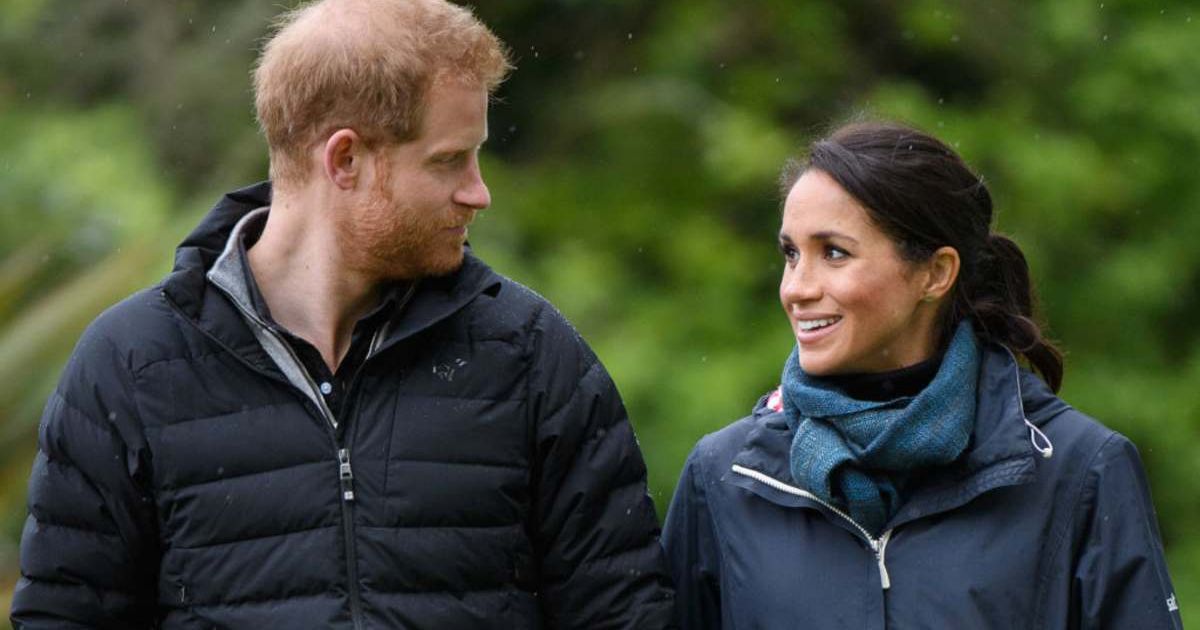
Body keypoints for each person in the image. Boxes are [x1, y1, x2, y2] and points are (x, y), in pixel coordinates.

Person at [10, 1, 675, 628]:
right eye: (449, 161)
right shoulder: (130, 365)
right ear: (345, 159)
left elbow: (624, 614)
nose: (479, 193)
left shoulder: (532, 355)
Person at [662, 121, 1183, 629]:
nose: (797, 287)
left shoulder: (1078, 471)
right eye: (791, 254)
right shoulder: (725, 479)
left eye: (834, 253)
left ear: (935, 273)